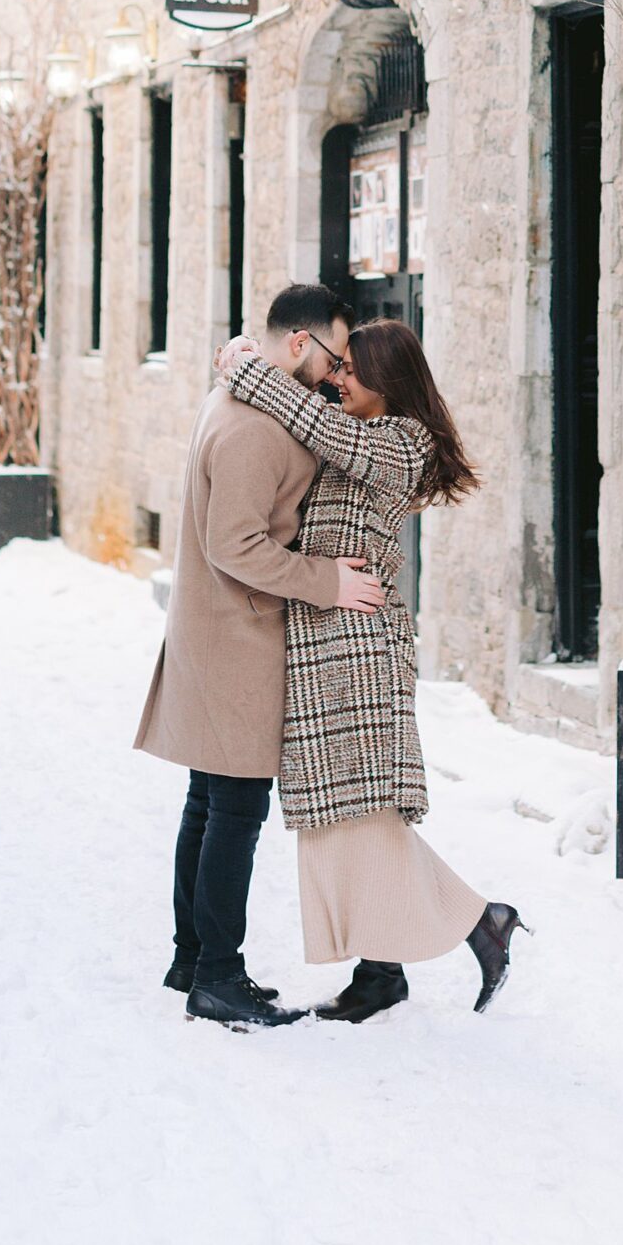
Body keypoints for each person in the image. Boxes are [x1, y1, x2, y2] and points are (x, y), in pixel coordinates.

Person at [218, 318, 527, 1022]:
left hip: (356, 647)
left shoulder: (400, 442)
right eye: (339, 366)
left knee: (358, 815)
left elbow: (321, 431)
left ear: (388, 378)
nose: (337, 377)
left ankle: (480, 923)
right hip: (327, 634)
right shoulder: (352, 427)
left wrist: (244, 364)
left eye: (351, 368)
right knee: (340, 814)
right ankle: (382, 971)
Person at [133, 283, 384, 1031]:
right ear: (299, 344)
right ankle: (216, 975)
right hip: (237, 641)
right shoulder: (253, 427)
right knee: (234, 811)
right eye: (335, 356)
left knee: (208, 804)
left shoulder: (245, 403)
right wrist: (327, 582)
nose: (339, 375)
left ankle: (191, 956)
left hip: (218, 634)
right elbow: (235, 543)